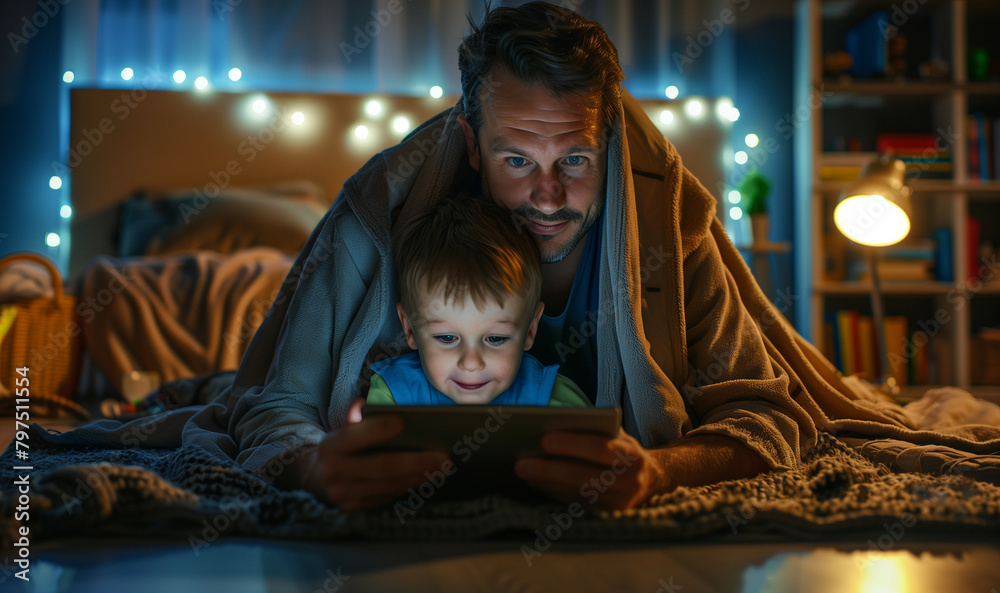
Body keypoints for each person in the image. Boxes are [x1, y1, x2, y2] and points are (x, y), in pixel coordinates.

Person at [228, 1, 911, 512]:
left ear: (609, 142)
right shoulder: (375, 221)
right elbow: (277, 404)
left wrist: (658, 472)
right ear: (471, 144)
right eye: (517, 158)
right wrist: (314, 468)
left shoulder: (671, 234)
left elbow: (765, 414)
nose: (548, 194)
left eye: (575, 158)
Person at [366, 193, 589, 408]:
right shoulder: (394, 394)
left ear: (531, 329)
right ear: (410, 330)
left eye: (495, 338)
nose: (471, 363)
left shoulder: (554, 401)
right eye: (446, 337)